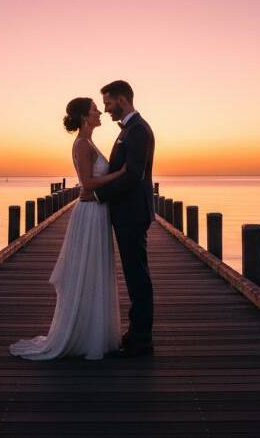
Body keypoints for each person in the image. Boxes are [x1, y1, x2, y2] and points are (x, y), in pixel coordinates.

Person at [9, 97, 124, 360]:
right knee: (88, 269)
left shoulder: (88, 142)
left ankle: (94, 331)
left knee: (95, 269)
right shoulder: (83, 144)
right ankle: (82, 333)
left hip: (96, 212)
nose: (99, 112)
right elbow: (87, 183)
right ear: (85, 117)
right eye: (95, 109)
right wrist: (121, 173)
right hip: (90, 212)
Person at [88, 80, 156, 357]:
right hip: (126, 213)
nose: (105, 109)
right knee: (133, 274)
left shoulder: (138, 130)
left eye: (108, 103)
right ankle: (136, 332)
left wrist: (98, 195)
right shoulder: (129, 130)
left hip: (132, 213)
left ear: (122, 100)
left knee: (138, 276)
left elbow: (133, 174)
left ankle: (142, 339)